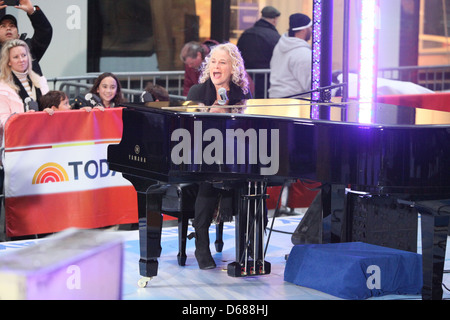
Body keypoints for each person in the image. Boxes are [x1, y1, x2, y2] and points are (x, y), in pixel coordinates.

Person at [186, 42, 252, 270]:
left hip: (234, 151)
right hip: (201, 152)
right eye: (213, 61)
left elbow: (247, 128)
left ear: (233, 68)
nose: (216, 66)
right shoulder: (198, 91)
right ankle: (201, 247)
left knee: (253, 183)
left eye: (222, 62)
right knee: (208, 182)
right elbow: (189, 130)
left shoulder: (241, 92)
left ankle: (249, 246)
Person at [237, 6, 281, 98]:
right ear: (274, 19)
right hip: (266, 83)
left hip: (245, 79)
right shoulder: (274, 37)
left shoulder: (246, 34)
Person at [0, 0, 53, 76]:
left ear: (18, 35)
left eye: (12, 26)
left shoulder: (28, 47)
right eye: (3, 26)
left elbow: (45, 32)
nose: (8, 28)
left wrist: (32, 12)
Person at [268, 13, 312, 99]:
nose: (312, 30)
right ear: (303, 30)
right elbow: (309, 83)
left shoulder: (279, 46)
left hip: (275, 98)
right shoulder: (303, 53)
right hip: (294, 102)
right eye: (310, 27)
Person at [0, 39, 48, 112]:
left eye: (24, 55)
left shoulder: (40, 80)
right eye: (16, 57)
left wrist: (48, 110)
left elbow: (49, 105)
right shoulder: (2, 86)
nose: (21, 60)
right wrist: (24, 117)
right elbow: (3, 118)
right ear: (9, 61)